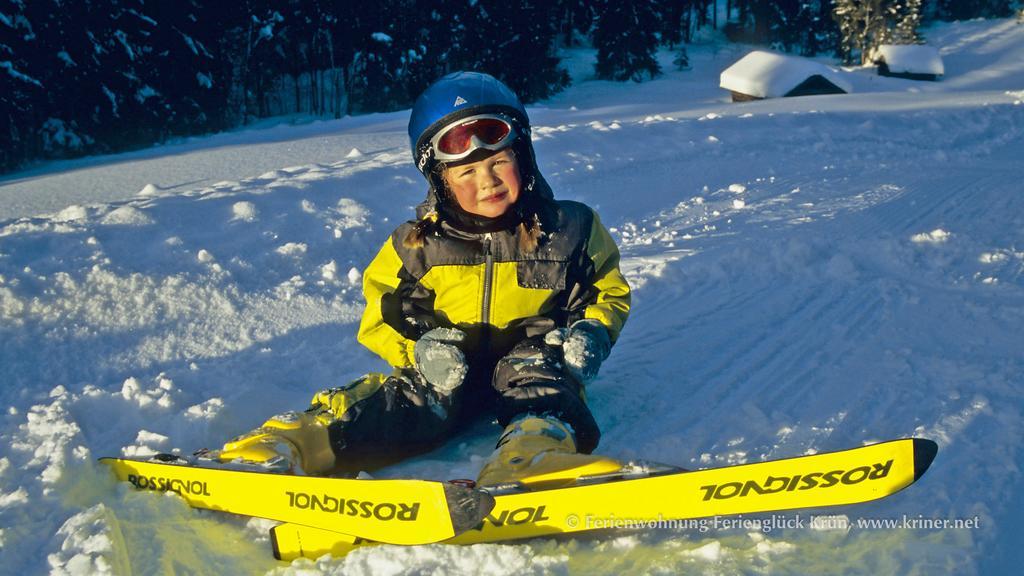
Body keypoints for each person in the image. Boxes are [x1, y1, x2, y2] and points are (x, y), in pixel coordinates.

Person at [206, 72, 631, 489]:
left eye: (499, 161)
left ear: (523, 156)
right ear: (440, 182)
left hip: (533, 358)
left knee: (545, 391)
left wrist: (592, 331)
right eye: (466, 173)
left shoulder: (570, 228)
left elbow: (605, 290)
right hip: (448, 368)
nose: (488, 181)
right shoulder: (416, 245)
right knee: (399, 400)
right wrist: (420, 349)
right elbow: (383, 312)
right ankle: (297, 442)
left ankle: (531, 457)